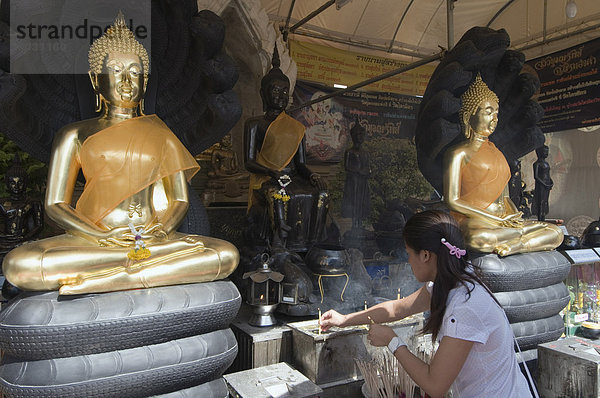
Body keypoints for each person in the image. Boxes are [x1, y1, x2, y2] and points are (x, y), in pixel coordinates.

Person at [2, 13, 239, 295]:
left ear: (146, 80)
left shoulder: (162, 134)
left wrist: (162, 232)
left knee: (225, 254)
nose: (127, 81)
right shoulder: (74, 135)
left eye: (135, 72)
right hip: (93, 240)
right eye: (116, 71)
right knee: (20, 264)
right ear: (95, 80)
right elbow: (55, 206)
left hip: (153, 239)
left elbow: (178, 199)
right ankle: (142, 270)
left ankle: (109, 279)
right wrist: (102, 236)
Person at [320, 210, 533, 397]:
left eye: (408, 253)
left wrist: (393, 341)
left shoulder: (466, 306)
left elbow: (435, 385)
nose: (408, 260)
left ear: (425, 255)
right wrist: (344, 319)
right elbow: (397, 308)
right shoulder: (450, 282)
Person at [443, 73, 562, 256]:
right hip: (476, 221)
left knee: (556, 232)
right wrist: (494, 220)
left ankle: (518, 245)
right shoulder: (459, 153)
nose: (494, 118)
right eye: (488, 112)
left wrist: (513, 217)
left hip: (503, 221)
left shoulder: (497, 153)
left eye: (496, 113)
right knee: (478, 239)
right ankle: (520, 238)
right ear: (468, 116)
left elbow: (505, 198)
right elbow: (453, 201)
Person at [244, 45, 328, 250]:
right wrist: (271, 172)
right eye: (275, 90)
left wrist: (312, 176)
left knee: (322, 194)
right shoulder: (254, 124)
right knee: (277, 193)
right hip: (267, 177)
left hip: (293, 177)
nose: (281, 95)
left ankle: (313, 240)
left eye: (285, 91)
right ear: (264, 93)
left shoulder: (297, 127)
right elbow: (248, 162)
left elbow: (300, 163)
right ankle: (280, 236)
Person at [341, 116, 371, 230]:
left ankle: (360, 224)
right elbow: (347, 167)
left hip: (362, 182)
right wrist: (359, 171)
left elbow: (368, 167)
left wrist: (367, 172)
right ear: (353, 136)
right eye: (358, 135)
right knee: (354, 203)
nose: (361, 137)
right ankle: (354, 225)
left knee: (362, 202)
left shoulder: (365, 153)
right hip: (354, 182)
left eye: (362, 135)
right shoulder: (349, 152)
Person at [532, 144, 553, 222]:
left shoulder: (546, 164)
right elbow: (536, 176)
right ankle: (540, 219)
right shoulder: (537, 164)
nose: (546, 154)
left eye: (547, 152)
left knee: (545, 201)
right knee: (540, 201)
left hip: (546, 184)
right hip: (541, 185)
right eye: (545, 152)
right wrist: (544, 184)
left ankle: (543, 217)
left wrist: (551, 182)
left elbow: (548, 175)